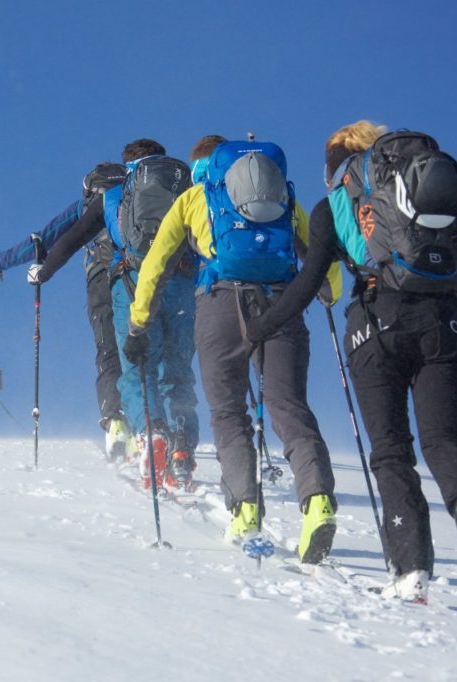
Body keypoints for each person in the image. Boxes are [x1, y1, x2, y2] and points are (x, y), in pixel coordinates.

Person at [246, 120, 457, 613]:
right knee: (446, 444)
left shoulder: (334, 206)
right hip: (445, 327)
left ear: (337, 163)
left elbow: (308, 281)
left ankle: (410, 569)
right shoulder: (423, 191)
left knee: (392, 452)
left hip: (376, 326)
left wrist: (263, 329)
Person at [124, 134, 341, 564]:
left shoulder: (192, 198)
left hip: (220, 304)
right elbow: (319, 246)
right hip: (282, 301)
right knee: (288, 403)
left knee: (227, 411)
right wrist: (328, 291)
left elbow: (156, 263)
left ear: (201, 165)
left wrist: (138, 322)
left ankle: (244, 509)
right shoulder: (277, 190)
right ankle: (317, 501)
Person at [30, 139, 200, 490]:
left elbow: (73, 239)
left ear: (129, 166)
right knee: (178, 370)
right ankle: (182, 447)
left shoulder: (115, 196)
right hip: (183, 284)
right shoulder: (188, 191)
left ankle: (152, 436)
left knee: (138, 368)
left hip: (134, 284)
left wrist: (44, 272)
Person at [0, 162, 134, 460]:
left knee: (108, 350)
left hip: (102, 279)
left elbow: (41, 242)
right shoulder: (137, 198)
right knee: (144, 348)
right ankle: (158, 426)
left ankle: (117, 423)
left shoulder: (86, 207)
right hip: (142, 277)